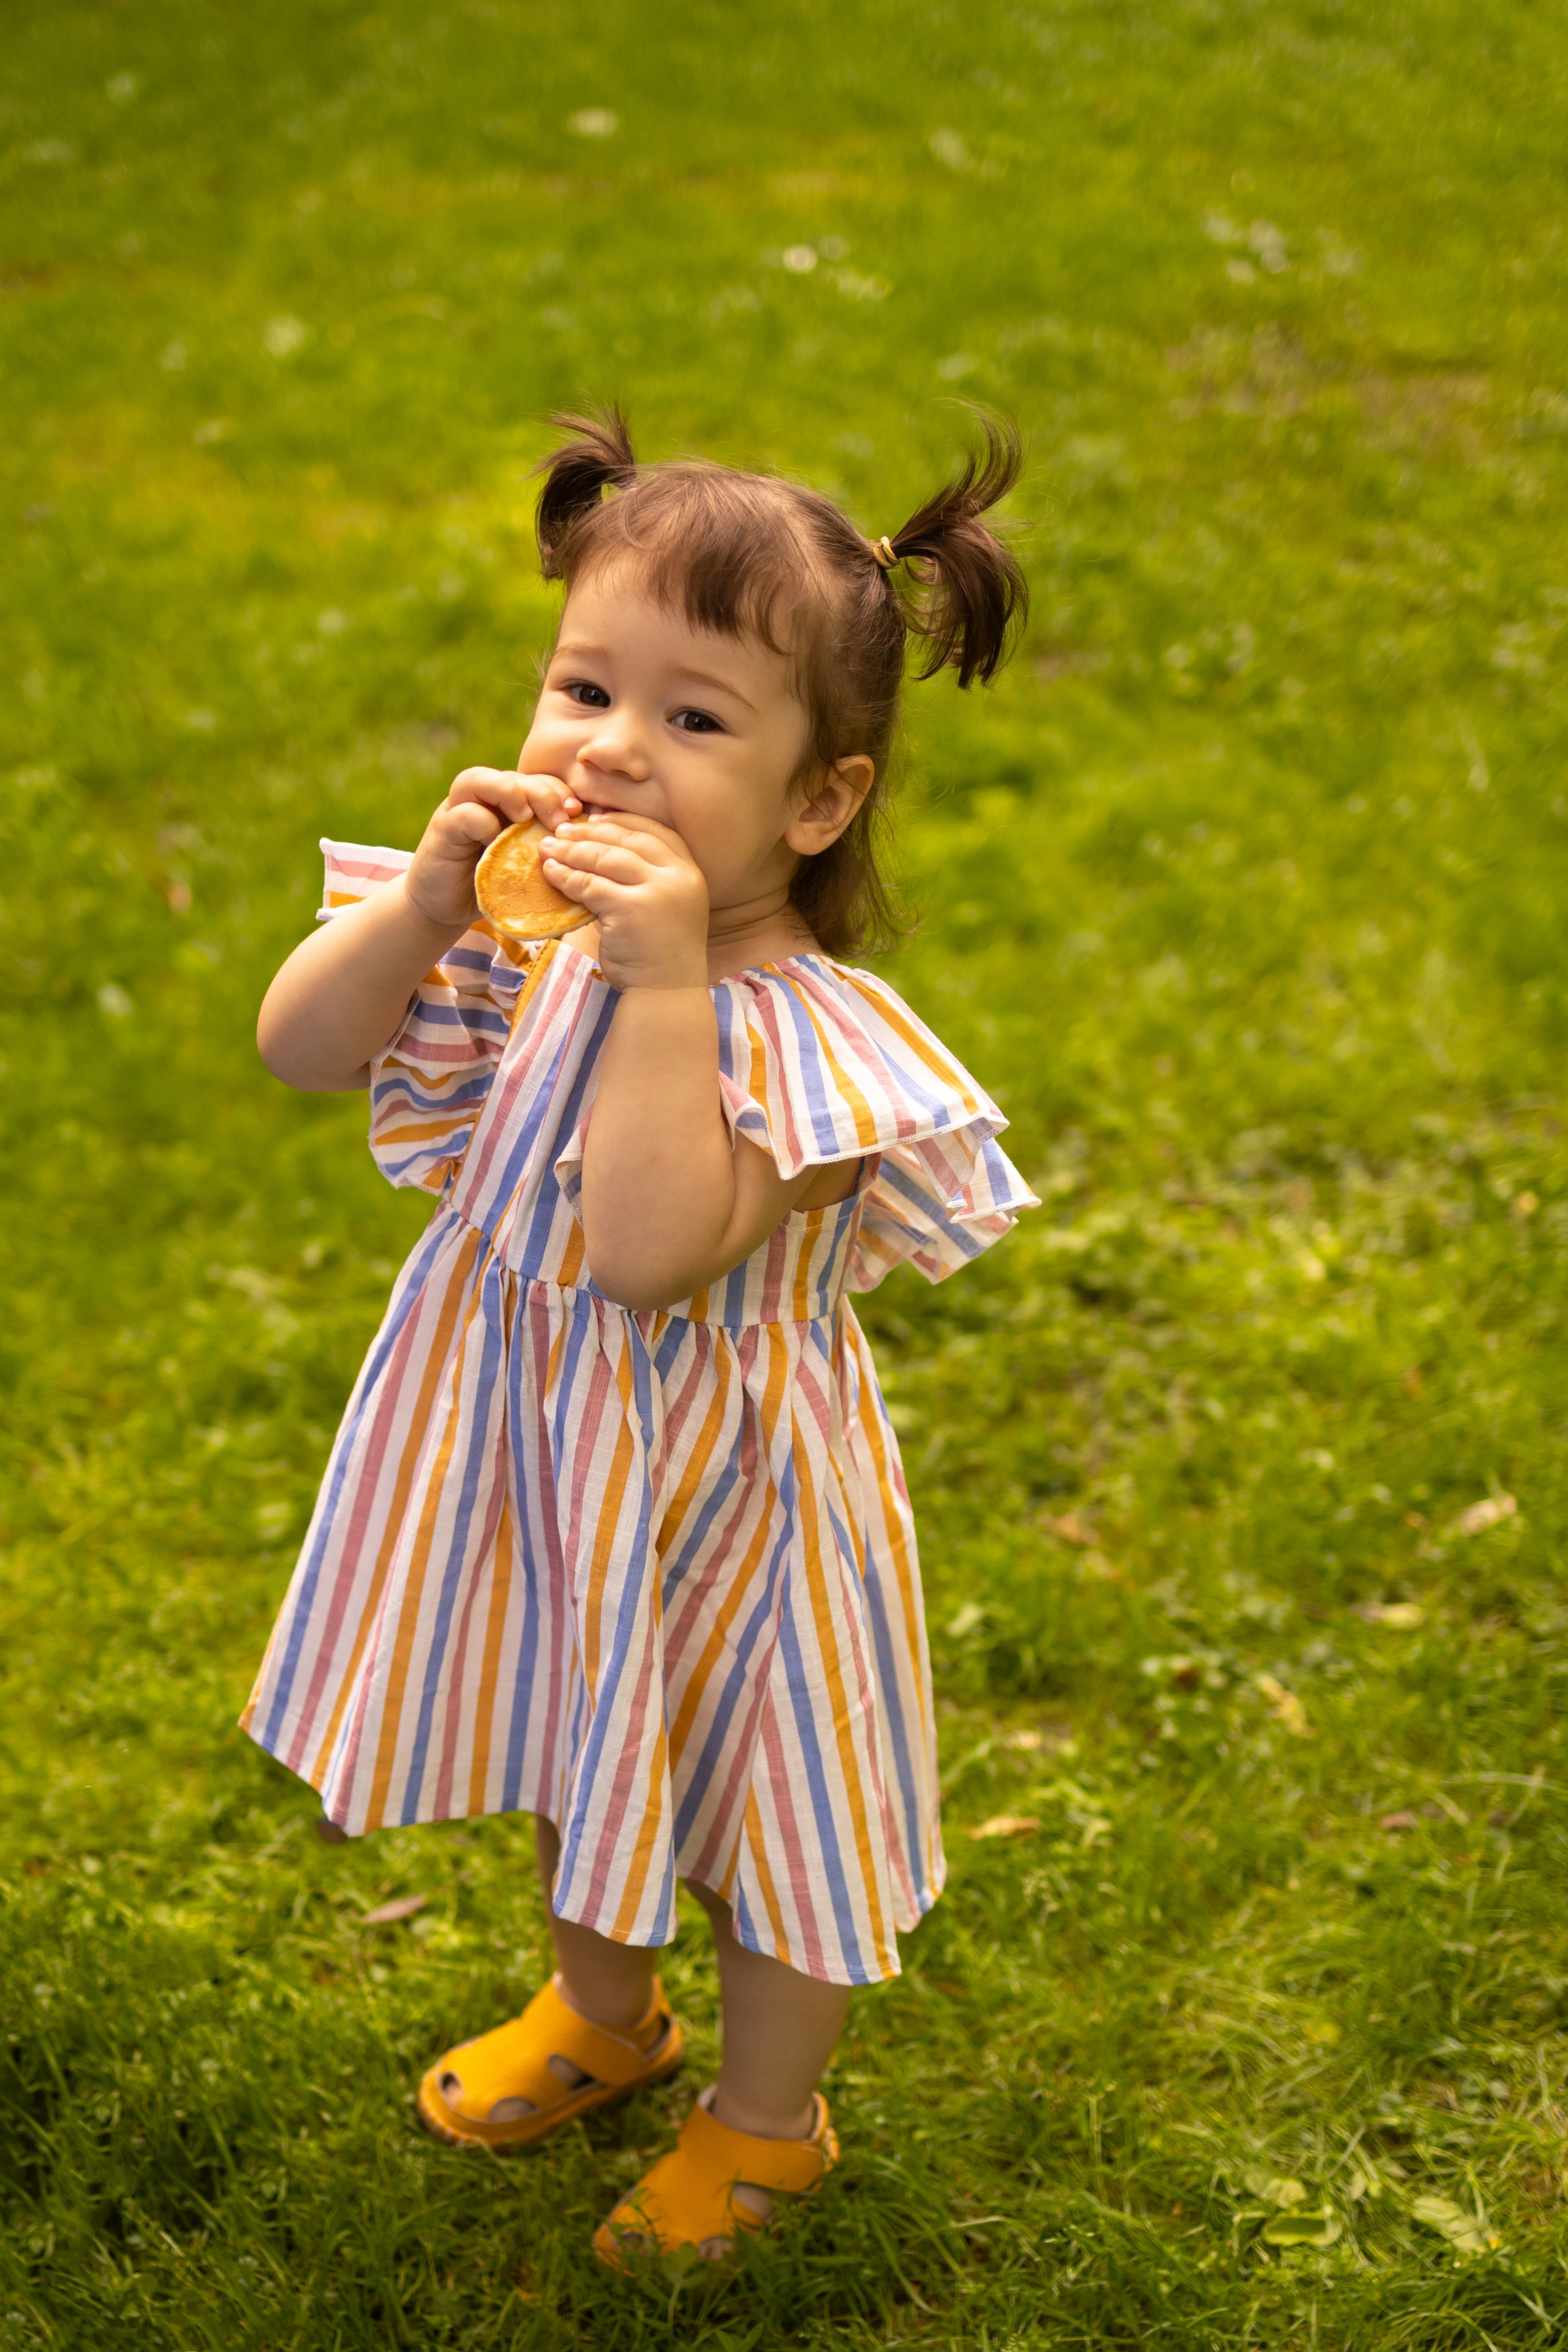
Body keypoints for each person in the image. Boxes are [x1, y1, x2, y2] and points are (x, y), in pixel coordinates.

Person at [243, 407, 1038, 2267]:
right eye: (585, 685)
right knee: (568, 1728)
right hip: (529, 1455)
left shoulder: (808, 1041)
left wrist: (666, 980)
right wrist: (430, 902)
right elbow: (300, 1045)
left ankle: (769, 2124)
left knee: (765, 1817)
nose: (609, 750)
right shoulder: (509, 938)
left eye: (694, 721)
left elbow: (656, 1250)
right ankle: (604, 2012)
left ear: (816, 802)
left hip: (735, 1512)